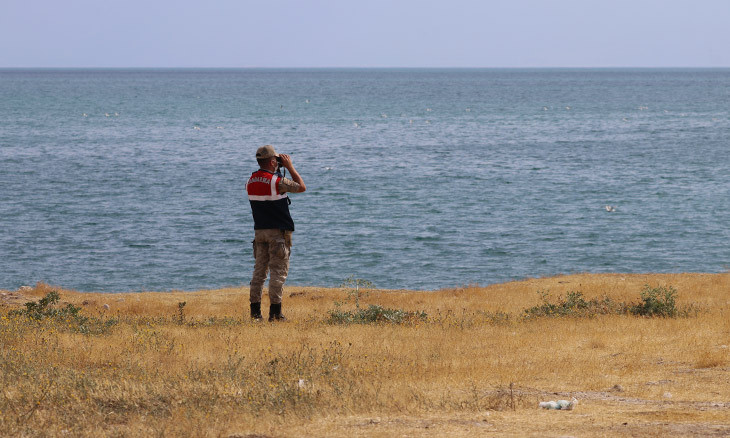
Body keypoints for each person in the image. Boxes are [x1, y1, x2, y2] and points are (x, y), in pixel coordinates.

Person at [246, 145, 306, 321]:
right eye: (277, 161)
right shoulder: (276, 181)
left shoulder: (250, 181)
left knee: (259, 273)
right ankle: (275, 313)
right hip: (278, 234)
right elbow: (301, 187)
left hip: (259, 232)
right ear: (273, 161)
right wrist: (289, 167)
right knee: (278, 273)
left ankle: (255, 313)